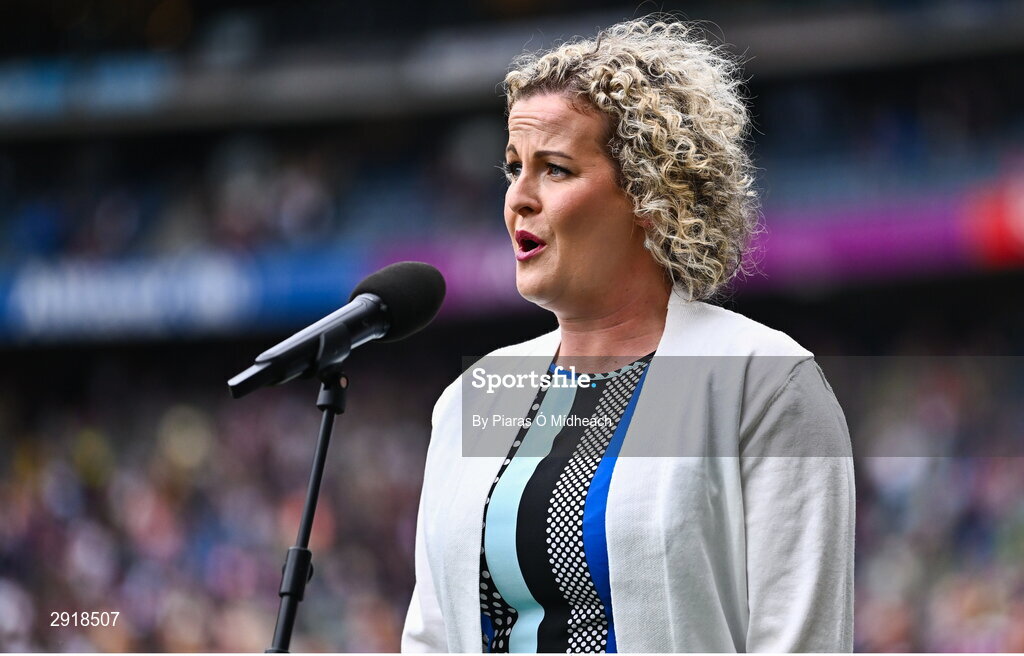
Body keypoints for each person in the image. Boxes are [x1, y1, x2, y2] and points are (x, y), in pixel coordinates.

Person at [402, 16, 855, 653]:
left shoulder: (763, 380)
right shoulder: (475, 396)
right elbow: (432, 638)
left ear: (649, 193)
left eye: (554, 169)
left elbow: (801, 641)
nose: (518, 200)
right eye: (513, 169)